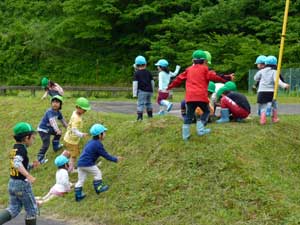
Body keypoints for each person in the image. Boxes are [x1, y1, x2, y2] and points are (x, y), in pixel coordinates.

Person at [167, 50, 231, 140]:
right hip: (201, 97)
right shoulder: (205, 69)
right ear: (204, 61)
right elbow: (216, 76)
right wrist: (228, 78)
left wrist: (169, 87)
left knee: (189, 116)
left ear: (193, 60)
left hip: (190, 98)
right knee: (206, 111)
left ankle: (185, 136)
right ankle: (200, 130)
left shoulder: (188, 70)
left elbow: (178, 79)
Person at [0, 122, 39, 225]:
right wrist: (28, 175)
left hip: (12, 183)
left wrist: (31, 166)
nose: (33, 140)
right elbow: (17, 163)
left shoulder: (15, 148)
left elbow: (17, 164)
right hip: (22, 184)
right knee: (32, 210)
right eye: (33, 138)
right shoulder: (22, 149)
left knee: (13, 209)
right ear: (27, 138)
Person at [74, 124, 124, 201]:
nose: (105, 134)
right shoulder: (98, 144)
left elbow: (89, 153)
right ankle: (99, 188)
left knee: (81, 180)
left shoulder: (90, 142)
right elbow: (106, 155)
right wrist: (116, 159)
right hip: (87, 163)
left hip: (80, 163)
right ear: (100, 135)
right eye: (104, 132)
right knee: (98, 173)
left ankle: (78, 196)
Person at [254, 55, 289, 125]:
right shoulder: (274, 71)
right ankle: (274, 118)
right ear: (275, 64)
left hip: (261, 91)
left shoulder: (261, 71)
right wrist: (285, 85)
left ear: (266, 63)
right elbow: (277, 81)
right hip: (271, 92)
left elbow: (255, 78)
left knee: (263, 106)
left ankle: (262, 120)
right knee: (274, 105)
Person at [37, 95, 68, 164]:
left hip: (49, 128)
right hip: (43, 130)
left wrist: (68, 128)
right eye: (53, 102)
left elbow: (62, 121)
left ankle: (56, 146)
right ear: (51, 103)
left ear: (60, 104)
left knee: (59, 133)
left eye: (57, 102)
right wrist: (57, 130)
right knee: (46, 144)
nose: (55, 103)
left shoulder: (58, 112)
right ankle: (40, 158)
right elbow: (52, 121)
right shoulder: (50, 111)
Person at [63, 97, 90, 172]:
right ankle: (71, 169)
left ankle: (60, 160)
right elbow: (74, 130)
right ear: (77, 107)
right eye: (83, 109)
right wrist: (81, 134)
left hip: (67, 138)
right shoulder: (76, 118)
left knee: (67, 151)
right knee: (73, 155)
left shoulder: (74, 113)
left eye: (85, 110)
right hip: (72, 140)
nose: (85, 111)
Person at [132, 55, 155, 121]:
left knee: (140, 104)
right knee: (148, 103)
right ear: (145, 64)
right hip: (149, 91)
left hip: (142, 91)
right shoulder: (148, 72)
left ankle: (140, 117)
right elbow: (152, 82)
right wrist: (152, 91)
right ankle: (150, 116)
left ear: (136, 65)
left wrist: (134, 93)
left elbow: (135, 84)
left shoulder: (136, 73)